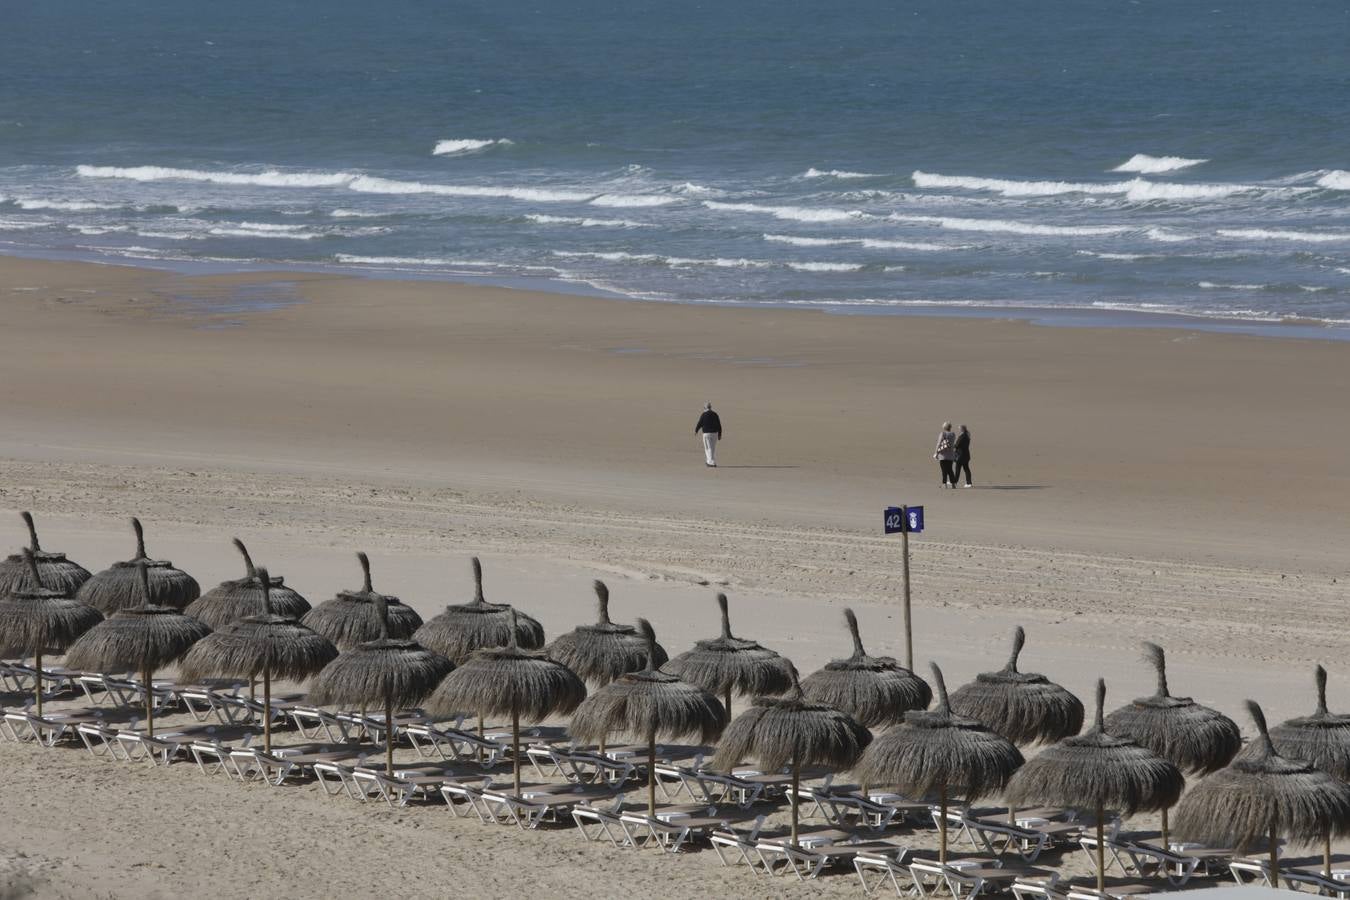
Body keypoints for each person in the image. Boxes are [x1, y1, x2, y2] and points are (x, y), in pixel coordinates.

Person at [695, 402, 722, 467]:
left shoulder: (704, 414)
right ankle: (709, 461)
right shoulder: (715, 414)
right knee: (712, 448)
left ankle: (711, 462)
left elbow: (700, 423)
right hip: (715, 433)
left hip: (707, 434)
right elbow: (719, 424)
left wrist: (696, 430)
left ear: (705, 408)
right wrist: (720, 434)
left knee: (708, 448)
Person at [934, 422, 957, 488]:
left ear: (944, 427)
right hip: (951, 454)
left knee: (944, 470)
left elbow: (939, 443)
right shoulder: (953, 434)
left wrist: (936, 452)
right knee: (950, 470)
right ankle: (953, 484)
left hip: (943, 454)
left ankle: (944, 484)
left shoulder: (942, 433)